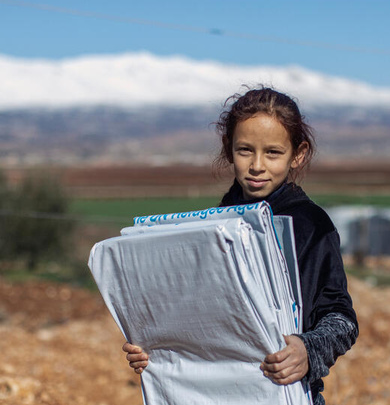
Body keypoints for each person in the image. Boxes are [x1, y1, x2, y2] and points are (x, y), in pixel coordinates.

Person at [122, 87, 358, 404]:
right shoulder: (213, 222)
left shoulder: (310, 225)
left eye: (273, 153)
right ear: (228, 148)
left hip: (285, 392)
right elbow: (193, 312)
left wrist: (307, 350)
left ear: (297, 154)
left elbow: (340, 319)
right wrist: (156, 348)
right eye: (245, 150)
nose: (257, 165)